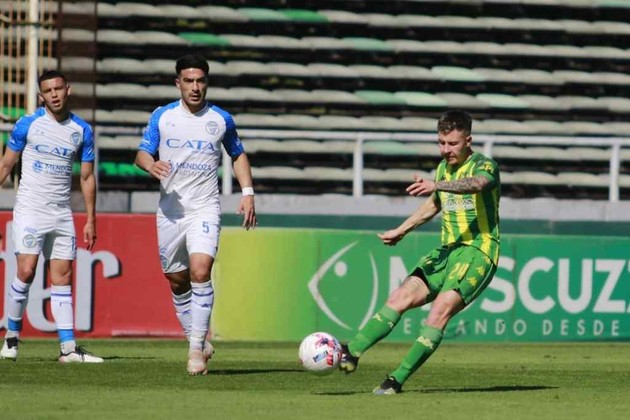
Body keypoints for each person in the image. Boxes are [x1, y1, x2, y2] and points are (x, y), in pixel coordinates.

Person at [339, 110, 500, 394]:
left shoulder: (484, 165)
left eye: (452, 144)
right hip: (446, 252)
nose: (446, 150)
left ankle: (396, 380)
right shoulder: (443, 168)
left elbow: (478, 184)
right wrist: (402, 229)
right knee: (399, 297)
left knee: (438, 313)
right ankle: (352, 352)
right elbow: (434, 204)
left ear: (468, 140)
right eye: (441, 143)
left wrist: (437, 184)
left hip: (478, 251)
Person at [135, 54, 257, 376]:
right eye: (188, 81)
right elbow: (142, 153)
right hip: (170, 212)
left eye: (200, 81)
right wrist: (151, 164)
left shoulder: (220, 119)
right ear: (178, 83)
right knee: (177, 280)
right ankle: (199, 340)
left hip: (205, 208)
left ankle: (194, 351)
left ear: (207, 83)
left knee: (201, 271)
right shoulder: (162, 117)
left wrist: (247, 193)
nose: (195, 87)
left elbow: (238, 154)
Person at [0, 70, 102, 363]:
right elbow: (6, 165)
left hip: (61, 213)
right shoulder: (28, 124)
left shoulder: (82, 130)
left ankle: (68, 349)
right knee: (26, 271)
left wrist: (91, 218)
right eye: (48, 91)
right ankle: (11, 338)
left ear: (68, 89)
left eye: (58, 88)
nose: (54, 95)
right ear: (41, 96)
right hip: (31, 209)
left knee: (63, 277)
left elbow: (86, 177)